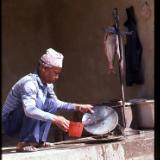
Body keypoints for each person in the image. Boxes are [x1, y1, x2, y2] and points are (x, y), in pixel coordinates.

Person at [2, 48, 94, 152]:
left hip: (24, 118)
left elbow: (56, 103)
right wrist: (55, 119)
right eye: (55, 73)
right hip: (9, 124)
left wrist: (78, 107)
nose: (57, 77)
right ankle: (25, 142)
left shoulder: (48, 85)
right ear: (44, 68)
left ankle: (39, 141)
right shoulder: (29, 83)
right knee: (37, 103)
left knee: (51, 103)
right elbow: (29, 110)